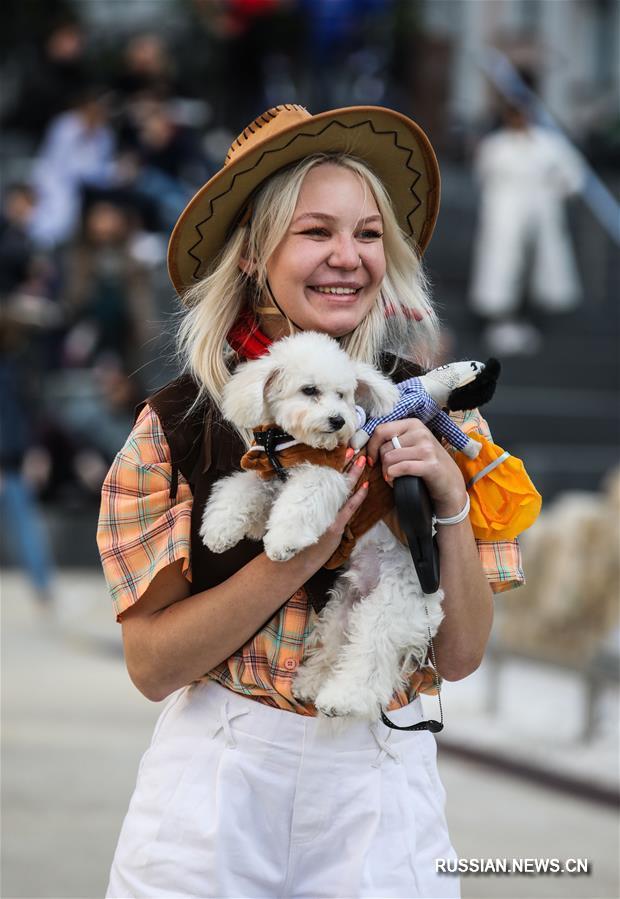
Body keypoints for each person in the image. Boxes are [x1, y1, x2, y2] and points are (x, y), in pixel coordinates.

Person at [97, 104, 525, 899]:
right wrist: (302, 552)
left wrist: (450, 501)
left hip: (380, 782)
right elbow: (154, 666)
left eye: (368, 234)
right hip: (216, 782)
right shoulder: (176, 424)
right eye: (316, 231)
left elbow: (460, 656)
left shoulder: (442, 416)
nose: (348, 257)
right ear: (258, 253)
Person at [469, 98, 584, 355]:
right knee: (502, 263)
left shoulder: (548, 144)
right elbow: (483, 176)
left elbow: (573, 177)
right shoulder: (495, 145)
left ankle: (528, 319)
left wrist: (552, 192)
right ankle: (502, 318)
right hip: (504, 209)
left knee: (539, 265)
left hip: (540, 208)